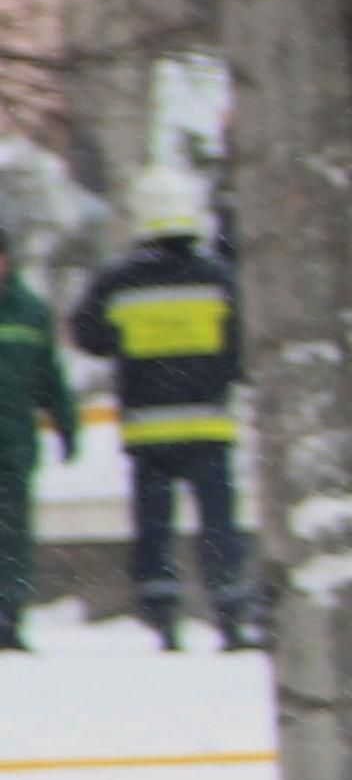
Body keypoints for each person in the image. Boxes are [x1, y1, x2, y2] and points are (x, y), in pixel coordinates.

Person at [67, 166, 253, 652]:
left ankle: (163, 613)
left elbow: (89, 336)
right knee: (219, 523)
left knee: (154, 526)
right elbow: (243, 348)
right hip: (208, 426)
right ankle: (230, 610)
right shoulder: (218, 278)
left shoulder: (118, 280)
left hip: (148, 431)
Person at [0, 229, 75, 649]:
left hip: (13, 445)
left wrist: (66, 422)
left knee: (12, 535)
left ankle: (9, 616)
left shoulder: (30, 311)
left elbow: (49, 374)